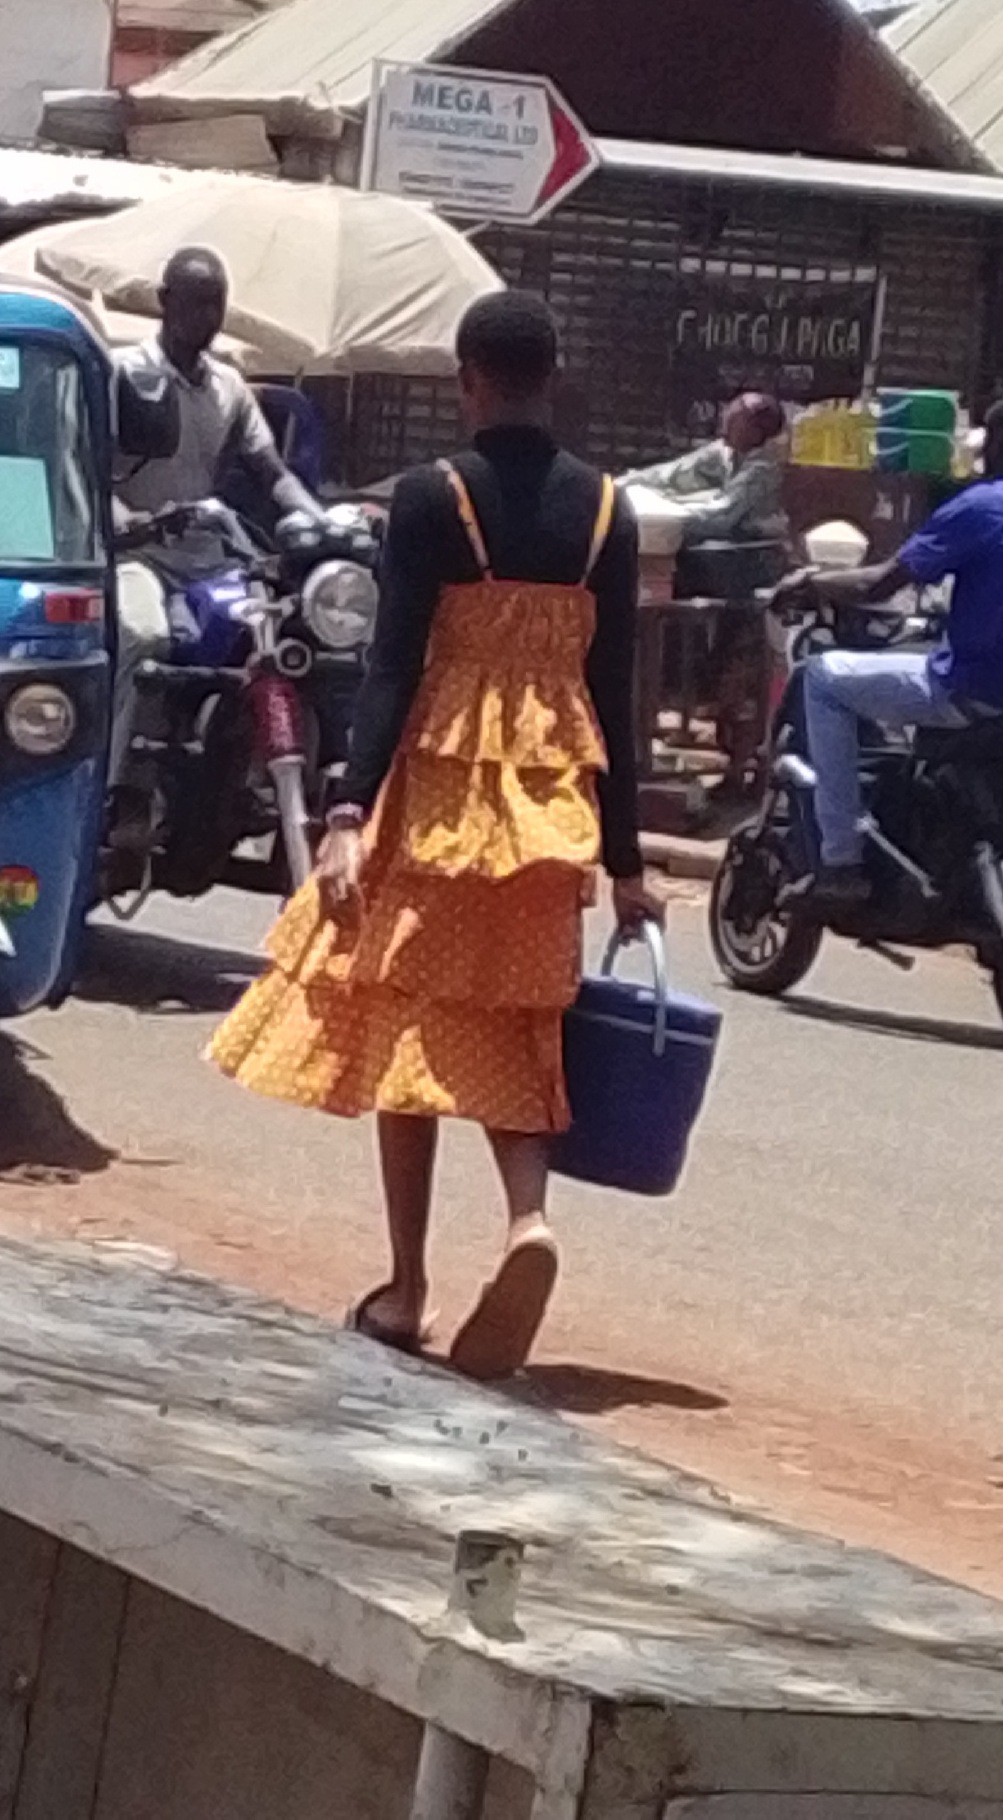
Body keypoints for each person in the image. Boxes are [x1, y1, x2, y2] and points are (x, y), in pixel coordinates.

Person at [208, 291, 658, 1383]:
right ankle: (527, 1221)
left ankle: (407, 1286)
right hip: (550, 805)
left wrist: (347, 811)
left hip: (441, 802)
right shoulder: (608, 511)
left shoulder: (430, 497)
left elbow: (392, 665)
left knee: (409, 1027)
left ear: (468, 380)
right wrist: (628, 861)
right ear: (553, 377)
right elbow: (616, 691)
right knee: (519, 1023)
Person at [782, 386, 1003, 909]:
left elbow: (877, 585)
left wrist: (811, 581)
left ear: (997, 444)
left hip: (970, 693)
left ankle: (840, 861)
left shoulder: (983, 505)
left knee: (822, 678)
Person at [109, 248, 319, 792]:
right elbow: (85, 469)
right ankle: (111, 785)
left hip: (208, 557)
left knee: (282, 633)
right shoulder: (121, 374)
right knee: (142, 635)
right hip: (138, 553)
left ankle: (239, 775)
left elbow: (272, 472)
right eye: (197, 302)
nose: (208, 316)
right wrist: (128, 520)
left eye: (217, 304)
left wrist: (321, 521)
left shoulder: (229, 387)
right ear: (165, 301)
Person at [620, 392, 789, 545]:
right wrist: (618, 485)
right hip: (725, 542)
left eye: (735, 420)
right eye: (727, 414)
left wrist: (649, 520)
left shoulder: (763, 468)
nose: (725, 422)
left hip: (756, 550)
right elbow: (673, 473)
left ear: (755, 433)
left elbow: (721, 517)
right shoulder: (726, 451)